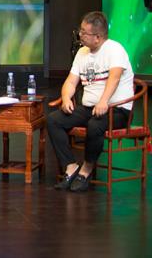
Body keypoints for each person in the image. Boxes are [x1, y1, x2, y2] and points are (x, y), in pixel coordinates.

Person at [47, 11, 135, 193]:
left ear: (98, 37)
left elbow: (114, 78)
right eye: (80, 31)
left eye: (84, 33)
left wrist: (104, 101)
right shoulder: (82, 53)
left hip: (117, 110)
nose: (80, 35)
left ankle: (86, 170)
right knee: (54, 120)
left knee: (95, 125)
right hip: (89, 108)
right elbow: (71, 82)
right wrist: (66, 98)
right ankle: (71, 167)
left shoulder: (115, 49)